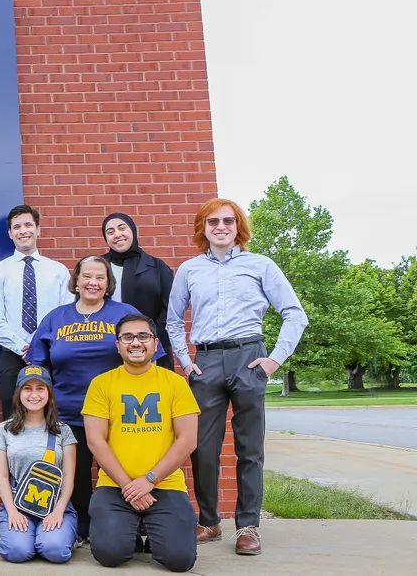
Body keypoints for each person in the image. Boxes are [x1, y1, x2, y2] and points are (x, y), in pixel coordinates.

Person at [167, 198, 308, 555]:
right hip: (207, 361)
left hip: (249, 357)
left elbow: (295, 314)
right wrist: (185, 360)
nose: (221, 227)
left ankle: (248, 526)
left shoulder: (260, 265)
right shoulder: (189, 269)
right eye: (213, 222)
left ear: (238, 226)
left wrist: (273, 360)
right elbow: (172, 320)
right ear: (203, 228)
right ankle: (209, 521)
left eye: (228, 221)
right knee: (203, 449)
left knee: (250, 449)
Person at [24, 255, 162, 544]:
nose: (93, 283)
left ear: (109, 283)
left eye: (100, 277)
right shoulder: (56, 318)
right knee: (75, 478)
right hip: (69, 413)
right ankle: (81, 530)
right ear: (76, 281)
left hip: (121, 415)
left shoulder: (124, 314)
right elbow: (37, 369)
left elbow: (150, 359)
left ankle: (133, 529)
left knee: (121, 473)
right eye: (87, 276)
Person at [83, 314, 200, 572]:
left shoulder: (175, 383)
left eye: (143, 336)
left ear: (155, 343)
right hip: (115, 486)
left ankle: (150, 529)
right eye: (128, 337)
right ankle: (130, 530)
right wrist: (129, 486)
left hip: (165, 484)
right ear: (118, 345)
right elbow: (95, 441)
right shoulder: (101, 384)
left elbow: (188, 440)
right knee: (110, 555)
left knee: (180, 561)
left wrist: (149, 481)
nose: (136, 343)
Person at [0, 204, 73, 420]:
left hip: (52, 354)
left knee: (53, 415)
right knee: (13, 416)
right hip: (13, 353)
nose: (23, 231)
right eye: (17, 227)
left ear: (38, 229)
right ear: (10, 233)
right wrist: (24, 349)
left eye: (28, 225)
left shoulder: (58, 270)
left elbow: (66, 315)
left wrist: (42, 348)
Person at [0, 365, 78, 563]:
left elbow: (68, 477)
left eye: (40, 388)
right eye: (27, 388)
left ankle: (63, 537)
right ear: (18, 393)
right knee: (18, 552)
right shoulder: (3, 430)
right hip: (18, 505)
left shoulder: (63, 431)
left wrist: (58, 512)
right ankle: (8, 533)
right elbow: (3, 477)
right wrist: (12, 512)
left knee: (55, 551)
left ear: (49, 393)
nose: (34, 394)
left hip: (54, 505)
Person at [101, 212, 176, 370]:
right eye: (110, 231)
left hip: (152, 350)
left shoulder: (157, 267)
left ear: (133, 231)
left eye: (122, 228)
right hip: (107, 350)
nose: (117, 235)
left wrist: (149, 341)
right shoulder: (98, 267)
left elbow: (169, 311)